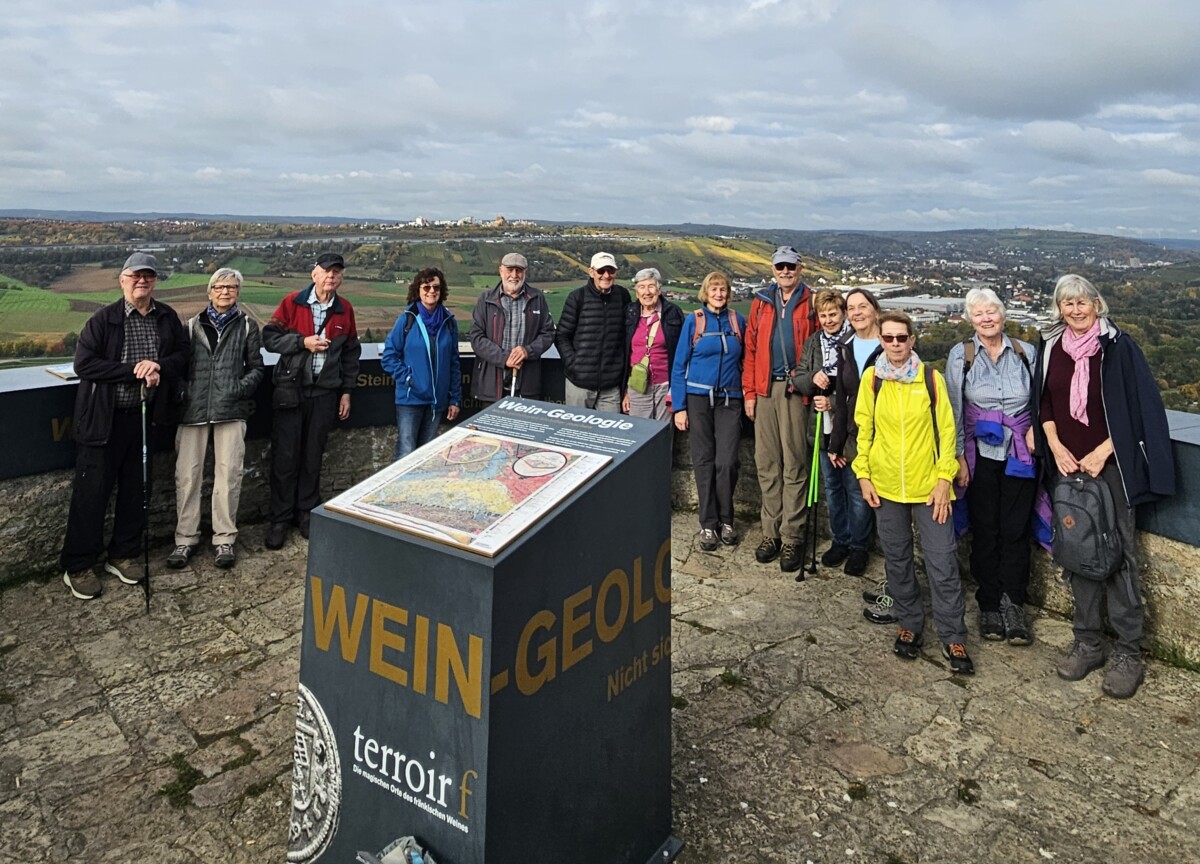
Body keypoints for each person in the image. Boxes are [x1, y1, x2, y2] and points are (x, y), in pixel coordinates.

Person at [1031, 274, 1175, 699]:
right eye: (1067, 304)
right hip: (1066, 465)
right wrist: (1055, 446)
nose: (1075, 310)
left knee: (1119, 556)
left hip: (1110, 468)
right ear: (1059, 308)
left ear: (1097, 304)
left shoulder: (1118, 348)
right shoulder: (1051, 349)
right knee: (1077, 552)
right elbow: (1044, 404)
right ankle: (1088, 642)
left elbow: (1140, 408)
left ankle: (1129, 651)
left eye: (1082, 303)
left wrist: (1104, 452)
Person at [60, 252, 189, 600]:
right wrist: (135, 370)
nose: (141, 282)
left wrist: (159, 366)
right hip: (103, 423)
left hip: (144, 420)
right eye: (135, 276)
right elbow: (85, 365)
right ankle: (79, 565)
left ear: (155, 282)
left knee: (137, 491)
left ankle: (123, 554)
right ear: (122, 280)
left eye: (148, 277)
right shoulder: (103, 320)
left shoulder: (167, 318)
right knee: (92, 495)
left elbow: (182, 357)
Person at [853, 312, 974, 674]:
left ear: (912, 340)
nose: (894, 345)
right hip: (886, 485)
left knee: (942, 561)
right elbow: (864, 430)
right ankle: (910, 624)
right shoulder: (872, 380)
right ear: (881, 342)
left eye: (900, 338)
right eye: (887, 339)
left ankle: (953, 635)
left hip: (929, 487)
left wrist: (943, 480)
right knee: (898, 558)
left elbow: (947, 433)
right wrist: (863, 474)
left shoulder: (930, 380)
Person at [946, 288, 1038, 645]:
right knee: (985, 528)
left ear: (1003, 315)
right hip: (979, 453)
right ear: (971, 319)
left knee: (1016, 528)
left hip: (1020, 454)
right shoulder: (962, 355)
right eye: (979, 314)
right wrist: (957, 458)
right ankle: (988, 603)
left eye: (992, 312)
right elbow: (952, 409)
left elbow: (1041, 402)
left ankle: (1013, 602)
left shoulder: (1026, 353)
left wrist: (1035, 436)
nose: (987, 319)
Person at [262, 252, 361, 549]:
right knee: (285, 457)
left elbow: (351, 354)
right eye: (326, 271)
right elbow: (269, 338)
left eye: (336, 272)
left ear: (341, 277)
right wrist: (301, 342)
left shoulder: (345, 310)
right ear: (314, 274)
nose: (331, 276)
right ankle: (279, 518)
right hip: (290, 392)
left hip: (325, 394)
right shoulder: (292, 302)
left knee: (312, 457)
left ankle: (305, 512)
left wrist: (346, 391)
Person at [168, 268, 264, 570]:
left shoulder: (248, 326)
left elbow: (257, 368)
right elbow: (179, 368)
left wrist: (237, 389)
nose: (226, 292)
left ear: (238, 292)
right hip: (193, 413)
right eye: (220, 287)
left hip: (231, 410)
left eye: (232, 287)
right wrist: (186, 394)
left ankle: (224, 539)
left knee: (229, 475)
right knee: (187, 476)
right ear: (209, 292)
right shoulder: (191, 325)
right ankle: (185, 540)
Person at [743, 245, 816, 573]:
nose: (785, 271)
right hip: (765, 390)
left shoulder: (811, 302)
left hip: (795, 392)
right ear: (773, 269)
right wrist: (749, 392)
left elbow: (818, 348)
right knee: (767, 462)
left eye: (790, 266)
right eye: (780, 266)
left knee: (795, 464)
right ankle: (769, 533)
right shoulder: (761, 302)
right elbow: (751, 349)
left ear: (800, 268)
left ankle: (792, 536)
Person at [671, 272, 745, 551]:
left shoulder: (738, 321)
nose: (719, 293)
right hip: (698, 398)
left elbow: (748, 358)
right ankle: (708, 524)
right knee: (703, 461)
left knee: (726, 462)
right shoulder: (694, 321)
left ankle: (727, 519)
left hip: (730, 399)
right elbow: (679, 366)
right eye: (714, 289)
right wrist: (679, 407)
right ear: (705, 292)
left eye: (723, 289)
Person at [828, 288, 889, 617]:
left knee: (860, 492)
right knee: (846, 488)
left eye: (862, 306)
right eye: (851, 308)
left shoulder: (890, 342)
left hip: (883, 433)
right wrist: (835, 442)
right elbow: (841, 397)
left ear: (875, 309)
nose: (856, 312)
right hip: (852, 431)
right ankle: (842, 541)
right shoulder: (847, 345)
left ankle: (859, 548)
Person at [794, 289, 858, 570]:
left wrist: (831, 401)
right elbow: (798, 378)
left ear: (843, 313)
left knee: (854, 488)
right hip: (822, 428)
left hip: (850, 428)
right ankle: (840, 540)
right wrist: (811, 379)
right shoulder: (813, 343)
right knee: (832, 486)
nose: (829, 319)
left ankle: (859, 545)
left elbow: (860, 388)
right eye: (824, 315)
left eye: (833, 314)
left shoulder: (854, 342)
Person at [381, 267, 462, 460]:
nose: (431, 291)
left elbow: (454, 363)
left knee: (426, 455)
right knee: (406, 452)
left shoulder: (449, 322)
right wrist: (409, 379)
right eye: (426, 287)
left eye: (436, 287)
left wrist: (455, 399)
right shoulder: (407, 320)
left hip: (437, 401)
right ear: (418, 290)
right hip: (410, 399)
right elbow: (389, 357)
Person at [468, 252, 556, 402]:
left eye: (519, 270)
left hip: (527, 385)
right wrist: (504, 358)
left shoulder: (537, 298)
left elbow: (548, 333)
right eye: (510, 270)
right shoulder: (486, 299)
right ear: (501, 271)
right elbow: (476, 337)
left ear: (525, 273)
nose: (514, 275)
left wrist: (528, 351)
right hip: (491, 386)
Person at [556, 251, 631, 411]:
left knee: (609, 434)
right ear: (591, 272)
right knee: (576, 431)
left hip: (610, 386)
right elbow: (562, 336)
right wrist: (574, 364)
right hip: (579, 385)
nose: (606, 275)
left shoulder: (623, 296)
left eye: (610, 271)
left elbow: (626, 335)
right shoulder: (577, 297)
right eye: (601, 271)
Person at [622, 267, 683, 421]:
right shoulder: (629, 313)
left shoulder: (673, 313)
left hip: (666, 385)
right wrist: (625, 391)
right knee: (639, 434)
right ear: (636, 292)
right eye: (641, 287)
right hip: (638, 386)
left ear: (659, 289)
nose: (646, 292)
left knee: (663, 433)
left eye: (651, 286)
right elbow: (623, 352)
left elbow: (682, 352)